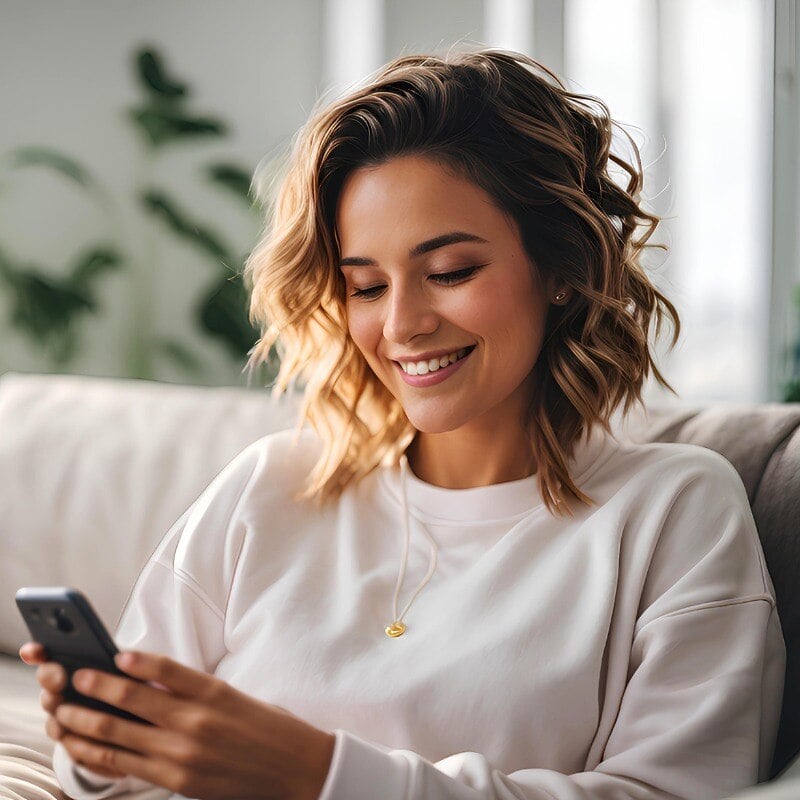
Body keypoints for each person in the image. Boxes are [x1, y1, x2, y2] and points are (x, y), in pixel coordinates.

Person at [20, 47, 785, 800]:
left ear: (559, 267)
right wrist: (96, 737)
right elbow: (109, 776)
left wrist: (315, 776)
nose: (403, 324)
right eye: (365, 286)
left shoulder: (675, 511)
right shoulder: (267, 490)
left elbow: (677, 791)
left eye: (450, 272)